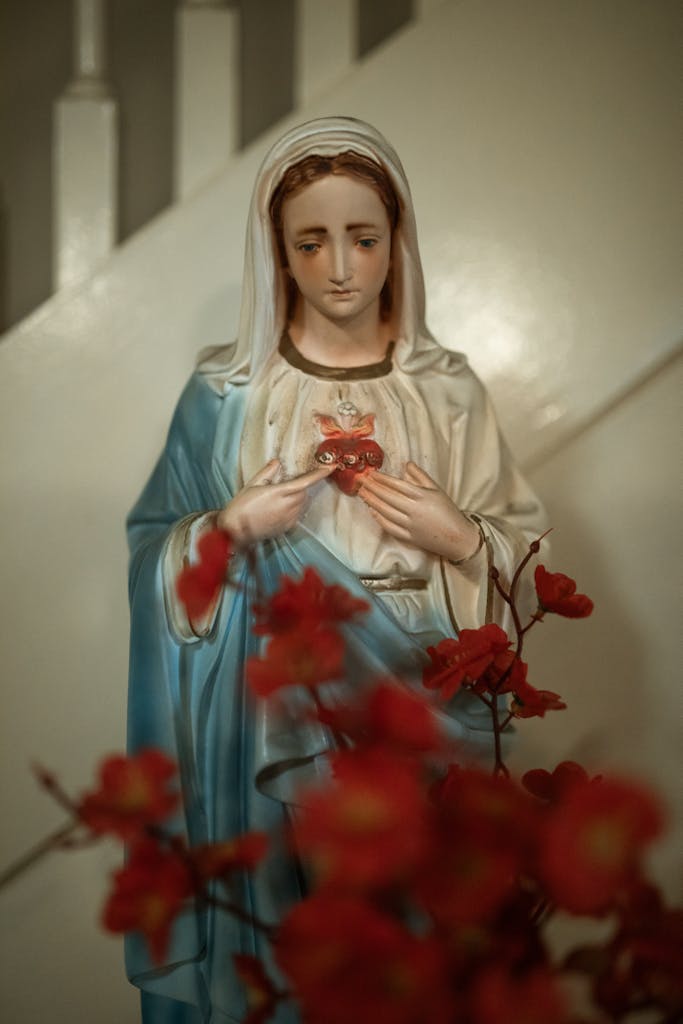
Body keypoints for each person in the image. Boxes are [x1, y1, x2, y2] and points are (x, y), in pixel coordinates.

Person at [126, 116, 546, 1022]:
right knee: (307, 943)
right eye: (310, 242)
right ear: (276, 252)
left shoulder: (446, 389)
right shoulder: (226, 395)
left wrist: (463, 539)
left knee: (415, 946)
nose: (341, 267)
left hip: (423, 689)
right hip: (279, 703)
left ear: (399, 240)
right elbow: (153, 551)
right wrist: (231, 526)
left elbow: (521, 548)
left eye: (364, 237)